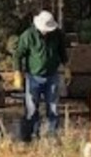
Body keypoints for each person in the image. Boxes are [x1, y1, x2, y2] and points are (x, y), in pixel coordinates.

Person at [13, 10, 69, 141]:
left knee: (53, 108)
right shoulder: (28, 35)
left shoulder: (57, 35)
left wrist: (66, 67)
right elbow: (18, 55)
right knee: (32, 108)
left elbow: (62, 52)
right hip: (33, 77)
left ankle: (52, 136)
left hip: (52, 76)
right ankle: (32, 135)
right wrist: (17, 72)